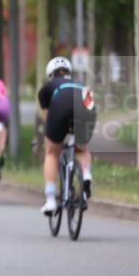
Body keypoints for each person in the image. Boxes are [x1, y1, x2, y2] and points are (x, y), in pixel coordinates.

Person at [37, 56, 96, 215]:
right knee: (81, 149)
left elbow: (48, 116)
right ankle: (86, 175)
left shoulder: (48, 87)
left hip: (61, 105)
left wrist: (55, 137)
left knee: (51, 152)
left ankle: (50, 200)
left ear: (51, 75)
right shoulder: (80, 83)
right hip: (87, 103)